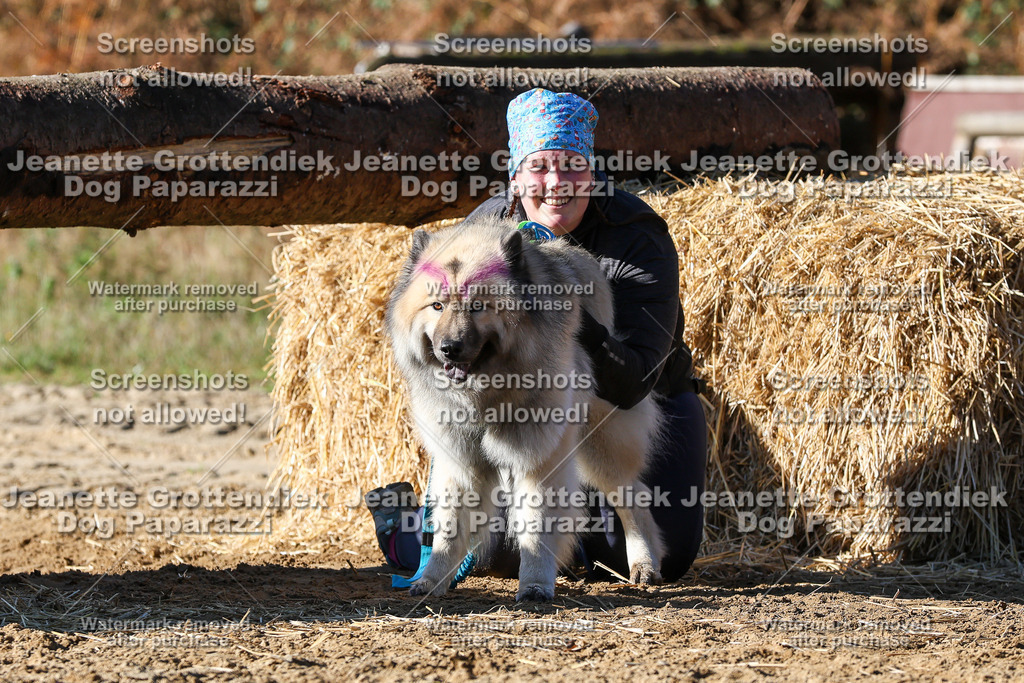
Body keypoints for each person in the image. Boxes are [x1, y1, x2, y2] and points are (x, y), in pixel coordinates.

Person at [369, 88, 707, 583]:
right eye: (540, 167)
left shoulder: (637, 235)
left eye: (573, 166)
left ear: (593, 172)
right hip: (516, 402)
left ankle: (590, 533)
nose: (556, 183)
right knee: (493, 554)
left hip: (630, 395)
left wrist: (568, 319)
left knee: (657, 558)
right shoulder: (486, 228)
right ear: (515, 177)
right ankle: (403, 524)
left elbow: (635, 379)